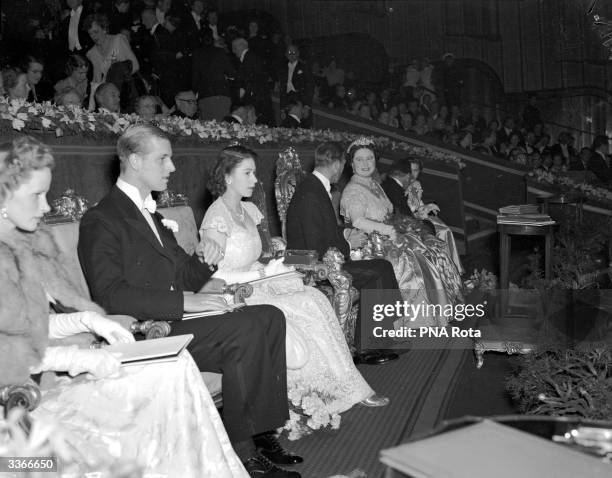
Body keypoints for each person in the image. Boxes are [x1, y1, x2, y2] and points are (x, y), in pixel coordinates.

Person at [0, 135, 248, 477]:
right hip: (17, 415)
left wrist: (88, 320)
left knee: (171, 366)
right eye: (37, 196)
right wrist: (79, 358)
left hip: (39, 382)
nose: (46, 207)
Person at [77, 125, 301, 478]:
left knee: (269, 317)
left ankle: (258, 434)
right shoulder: (102, 218)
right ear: (135, 160)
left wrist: (206, 260)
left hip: (175, 319)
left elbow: (184, 275)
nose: (172, 167)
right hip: (147, 330)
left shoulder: (151, 215)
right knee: (247, 327)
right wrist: (185, 303)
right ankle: (246, 453)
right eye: (163, 158)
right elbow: (109, 295)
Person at [201, 146, 389, 436]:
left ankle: (349, 386)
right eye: (247, 173)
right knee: (302, 307)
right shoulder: (216, 217)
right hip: (234, 292)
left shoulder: (246, 209)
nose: (255, 180)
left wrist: (274, 263)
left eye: (254, 172)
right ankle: (318, 392)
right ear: (227, 177)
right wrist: (263, 273)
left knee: (313, 298)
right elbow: (212, 275)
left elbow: (261, 253)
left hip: (257, 281)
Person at [286, 142, 401, 360]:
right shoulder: (311, 193)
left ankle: (378, 338)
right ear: (338, 164)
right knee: (380, 269)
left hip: (326, 254)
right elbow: (316, 246)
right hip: (313, 263)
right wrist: (349, 244)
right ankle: (368, 346)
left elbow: (325, 228)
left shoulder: (315, 186)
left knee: (382, 266)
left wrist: (347, 233)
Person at [340, 138, 463, 327]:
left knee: (428, 250)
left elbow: (388, 212)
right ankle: (412, 319)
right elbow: (358, 221)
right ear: (351, 163)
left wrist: (402, 226)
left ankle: (436, 310)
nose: (365, 164)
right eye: (359, 159)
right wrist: (389, 229)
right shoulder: (353, 190)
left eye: (370, 158)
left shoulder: (373, 184)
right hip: (369, 243)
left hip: (387, 236)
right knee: (415, 260)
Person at [404, 157, 464, 275]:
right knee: (441, 232)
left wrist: (426, 207)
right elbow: (405, 207)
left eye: (416, 171)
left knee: (446, 229)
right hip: (410, 217)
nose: (412, 174)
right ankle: (441, 269)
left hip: (419, 214)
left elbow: (417, 201)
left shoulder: (416, 184)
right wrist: (420, 210)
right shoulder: (402, 184)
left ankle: (451, 268)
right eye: (410, 170)